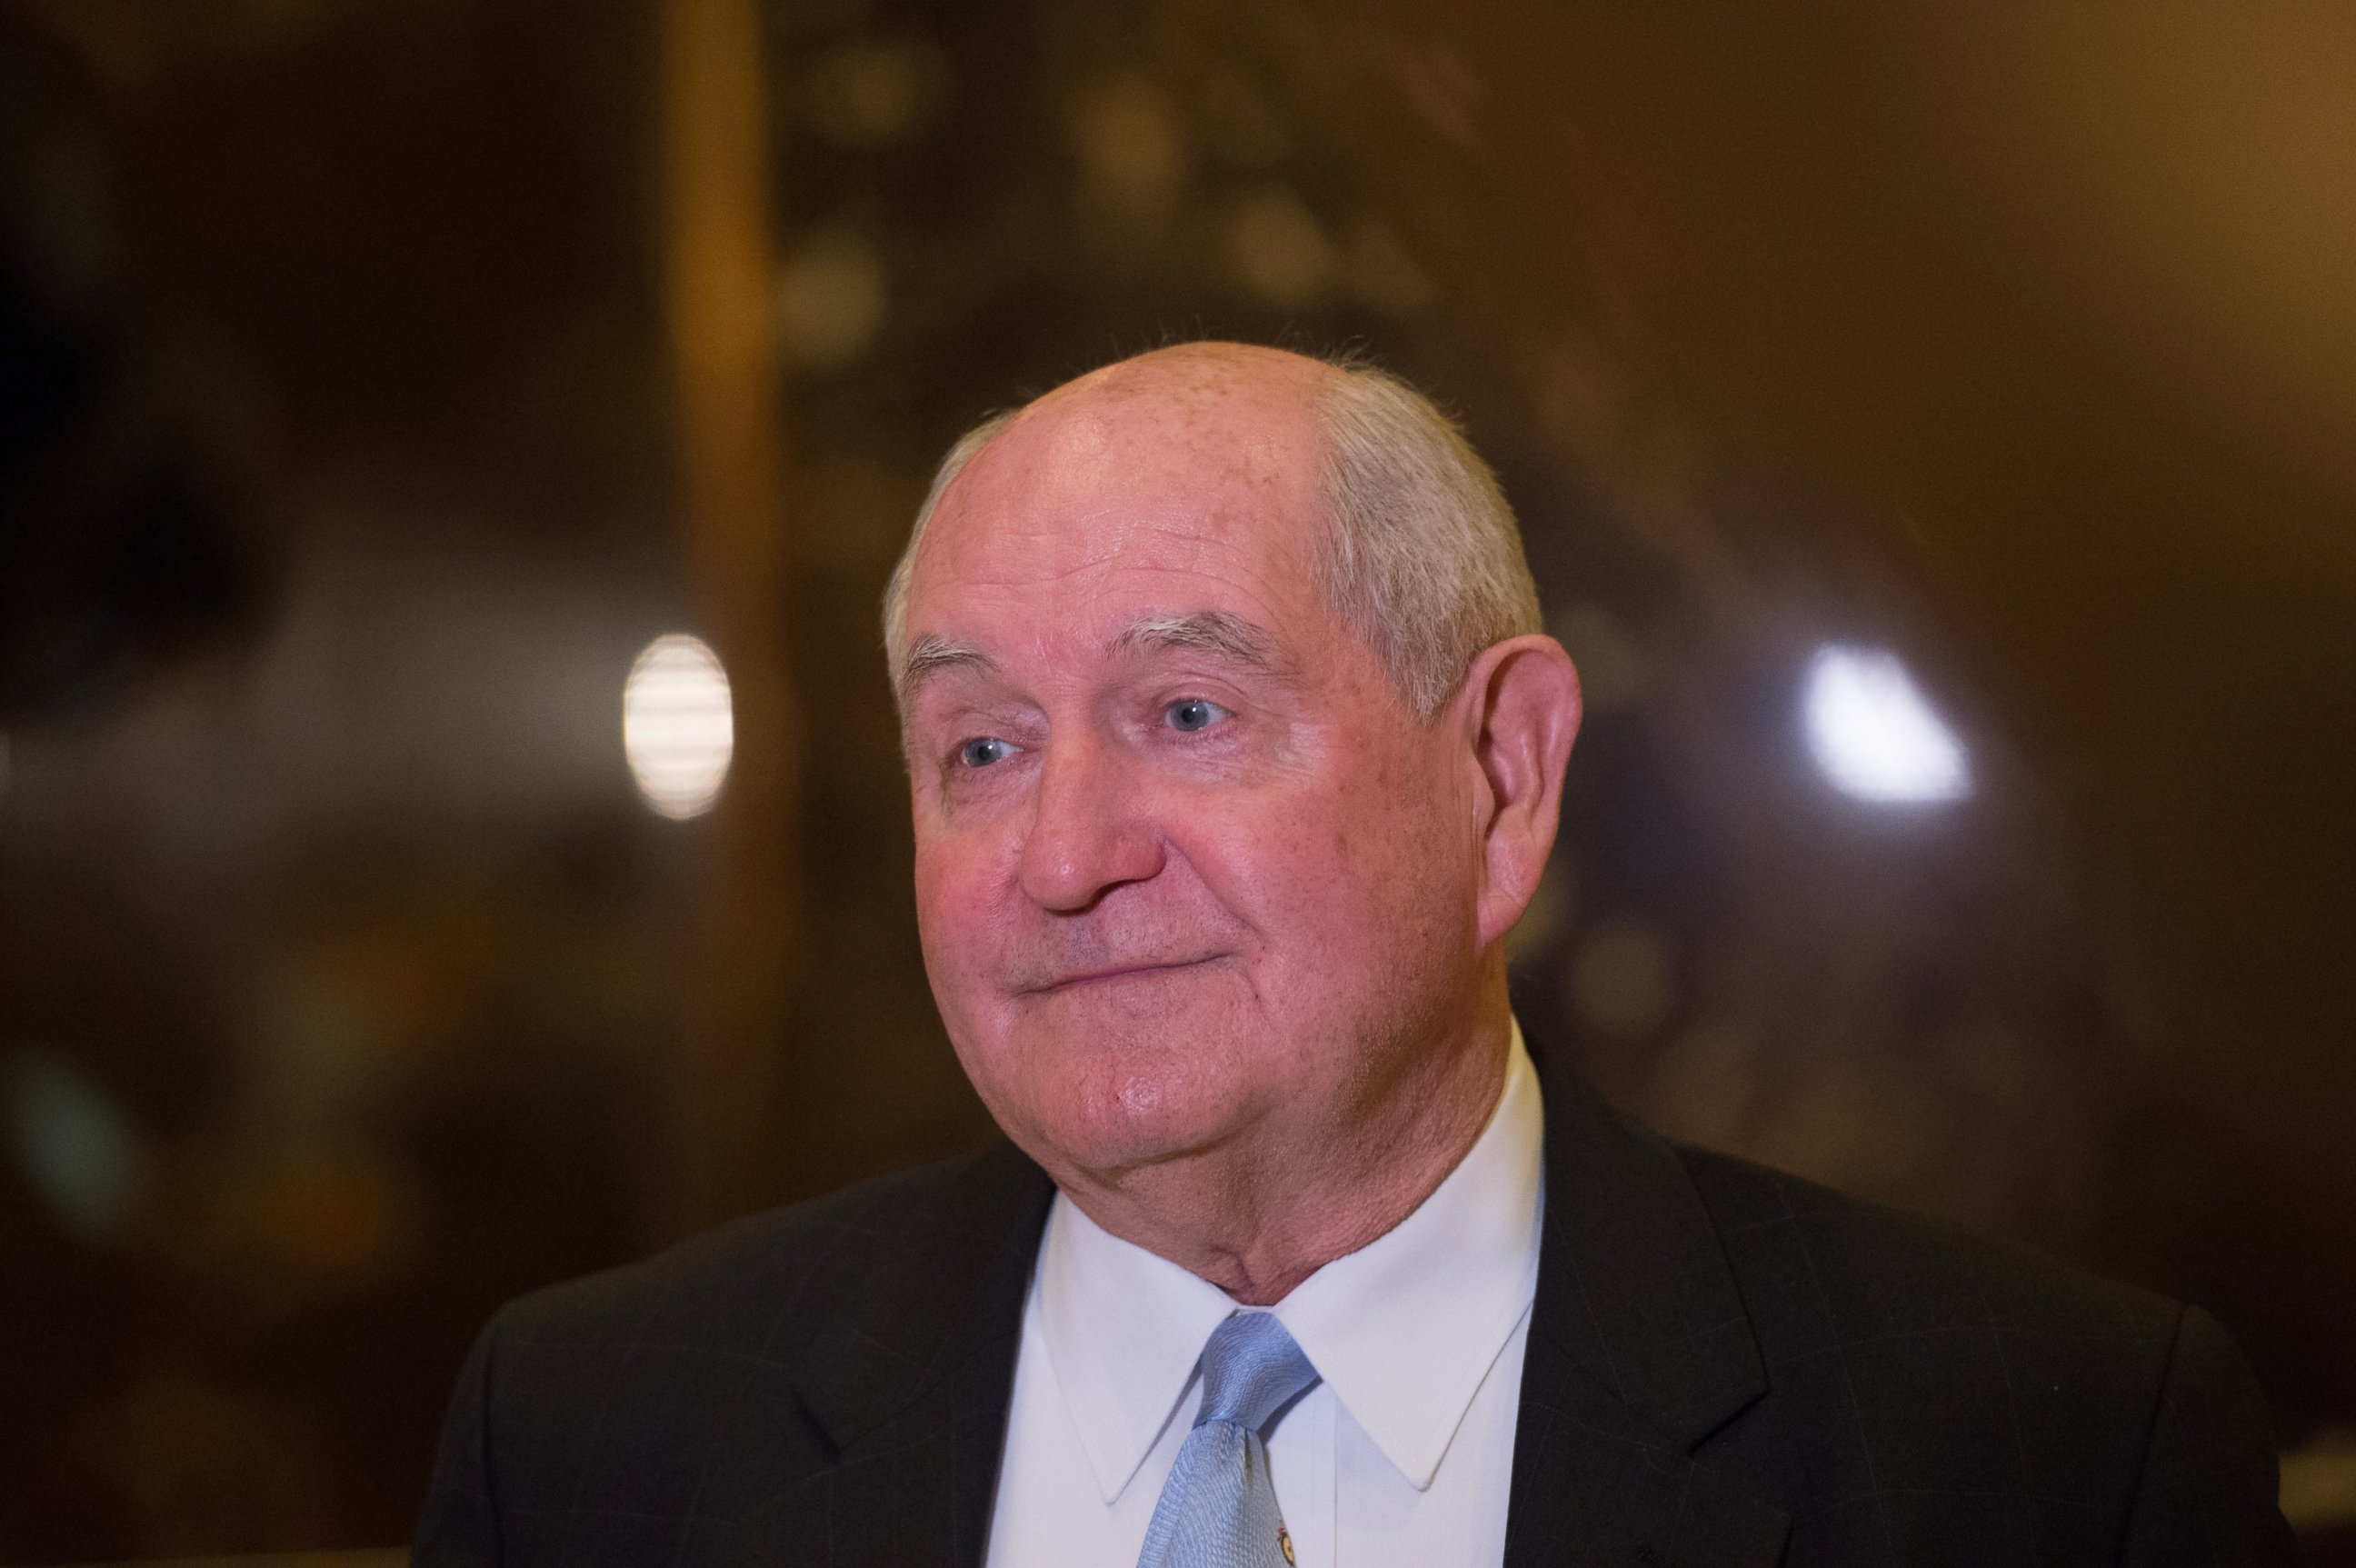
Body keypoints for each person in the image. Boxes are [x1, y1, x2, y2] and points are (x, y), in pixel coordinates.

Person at [414, 344, 2296, 1566]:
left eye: (1188, 710)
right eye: (979, 748)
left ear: (1501, 774)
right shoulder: (594, 1446)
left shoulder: (2045, 1466)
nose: (1064, 856)